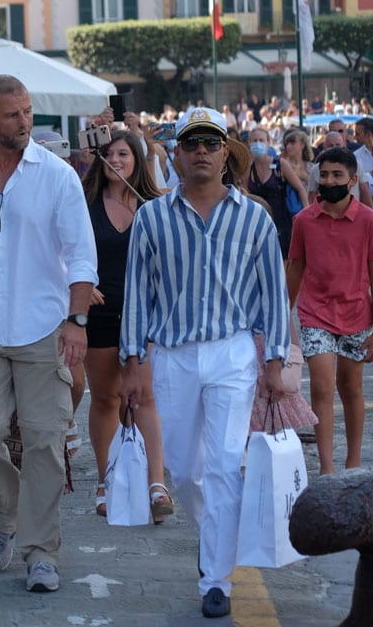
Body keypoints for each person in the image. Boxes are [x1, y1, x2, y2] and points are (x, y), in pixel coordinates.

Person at [121, 107, 289, 618]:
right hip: (171, 355)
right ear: (176, 151)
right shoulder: (151, 217)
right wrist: (133, 360)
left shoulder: (254, 217)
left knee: (221, 466)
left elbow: (274, 293)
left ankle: (215, 578)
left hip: (232, 353)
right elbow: (136, 293)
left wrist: (276, 359)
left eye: (210, 143)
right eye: (191, 142)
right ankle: (212, 535)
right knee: (185, 471)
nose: (200, 151)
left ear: (225, 154)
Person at [0, 75, 97, 594]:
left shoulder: (58, 176)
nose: (24, 122)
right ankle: (4, 518)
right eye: (12, 115)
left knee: (46, 442)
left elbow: (81, 257)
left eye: (28, 112)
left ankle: (40, 551)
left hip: (43, 327)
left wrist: (76, 323)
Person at [78, 130, 172, 523]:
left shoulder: (156, 206)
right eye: (109, 153)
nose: (116, 160)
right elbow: (65, 249)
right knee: (105, 400)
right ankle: (107, 480)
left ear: (138, 159)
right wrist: (84, 284)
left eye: (124, 153)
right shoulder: (84, 204)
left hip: (144, 316)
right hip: (98, 314)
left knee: (143, 396)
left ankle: (156, 484)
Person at [287, 147, 373, 476]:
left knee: (351, 387)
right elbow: (295, 269)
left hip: (357, 314)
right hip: (315, 313)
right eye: (324, 174)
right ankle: (327, 466)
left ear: (353, 180)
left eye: (337, 175)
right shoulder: (303, 221)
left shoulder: (370, 221)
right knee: (320, 386)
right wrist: (280, 320)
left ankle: (354, 459)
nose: (329, 180)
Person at [246, 127, 308, 258]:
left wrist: (306, 214)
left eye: (261, 140)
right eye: (254, 140)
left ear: (268, 143)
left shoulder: (280, 164)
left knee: (284, 262)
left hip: (282, 224)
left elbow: (300, 188)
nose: (258, 144)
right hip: (257, 225)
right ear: (249, 143)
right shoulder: (248, 169)